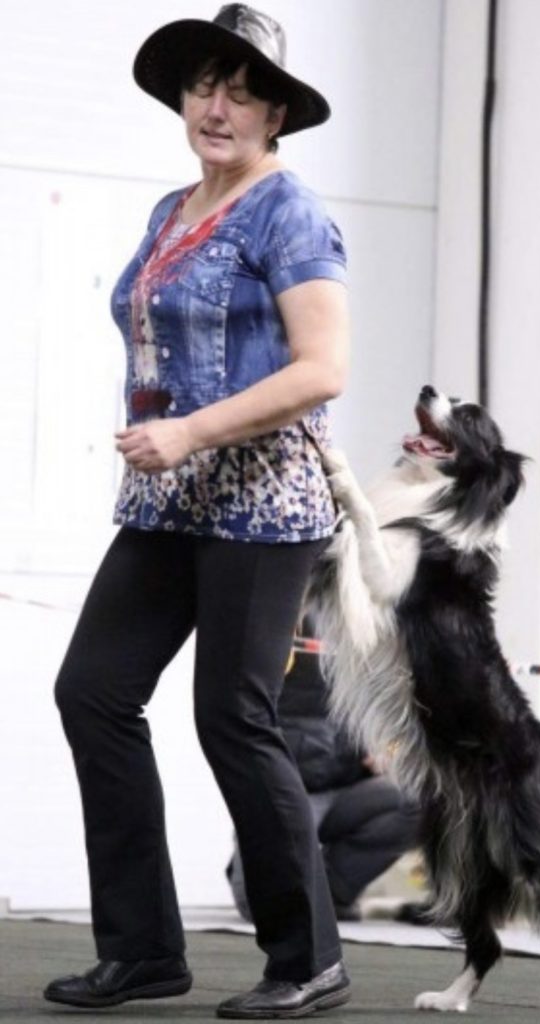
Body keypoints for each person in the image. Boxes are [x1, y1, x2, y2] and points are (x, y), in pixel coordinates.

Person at [44, 5, 351, 1019]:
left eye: (242, 93)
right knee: (93, 692)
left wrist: (190, 430)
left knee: (231, 717)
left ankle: (308, 958)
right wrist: (164, 440)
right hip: (168, 501)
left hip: (261, 502)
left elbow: (323, 368)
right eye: (203, 87)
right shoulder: (171, 208)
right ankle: (142, 951)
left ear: (275, 116)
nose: (217, 108)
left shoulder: (289, 213)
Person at [227, 627, 422, 923]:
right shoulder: (284, 621)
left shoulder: (372, 631)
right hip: (286, 787)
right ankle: (260, 862)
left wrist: (390, 748)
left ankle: (332, 891)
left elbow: (400, 713)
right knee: (261, 908)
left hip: (345, 789)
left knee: (420, 801)